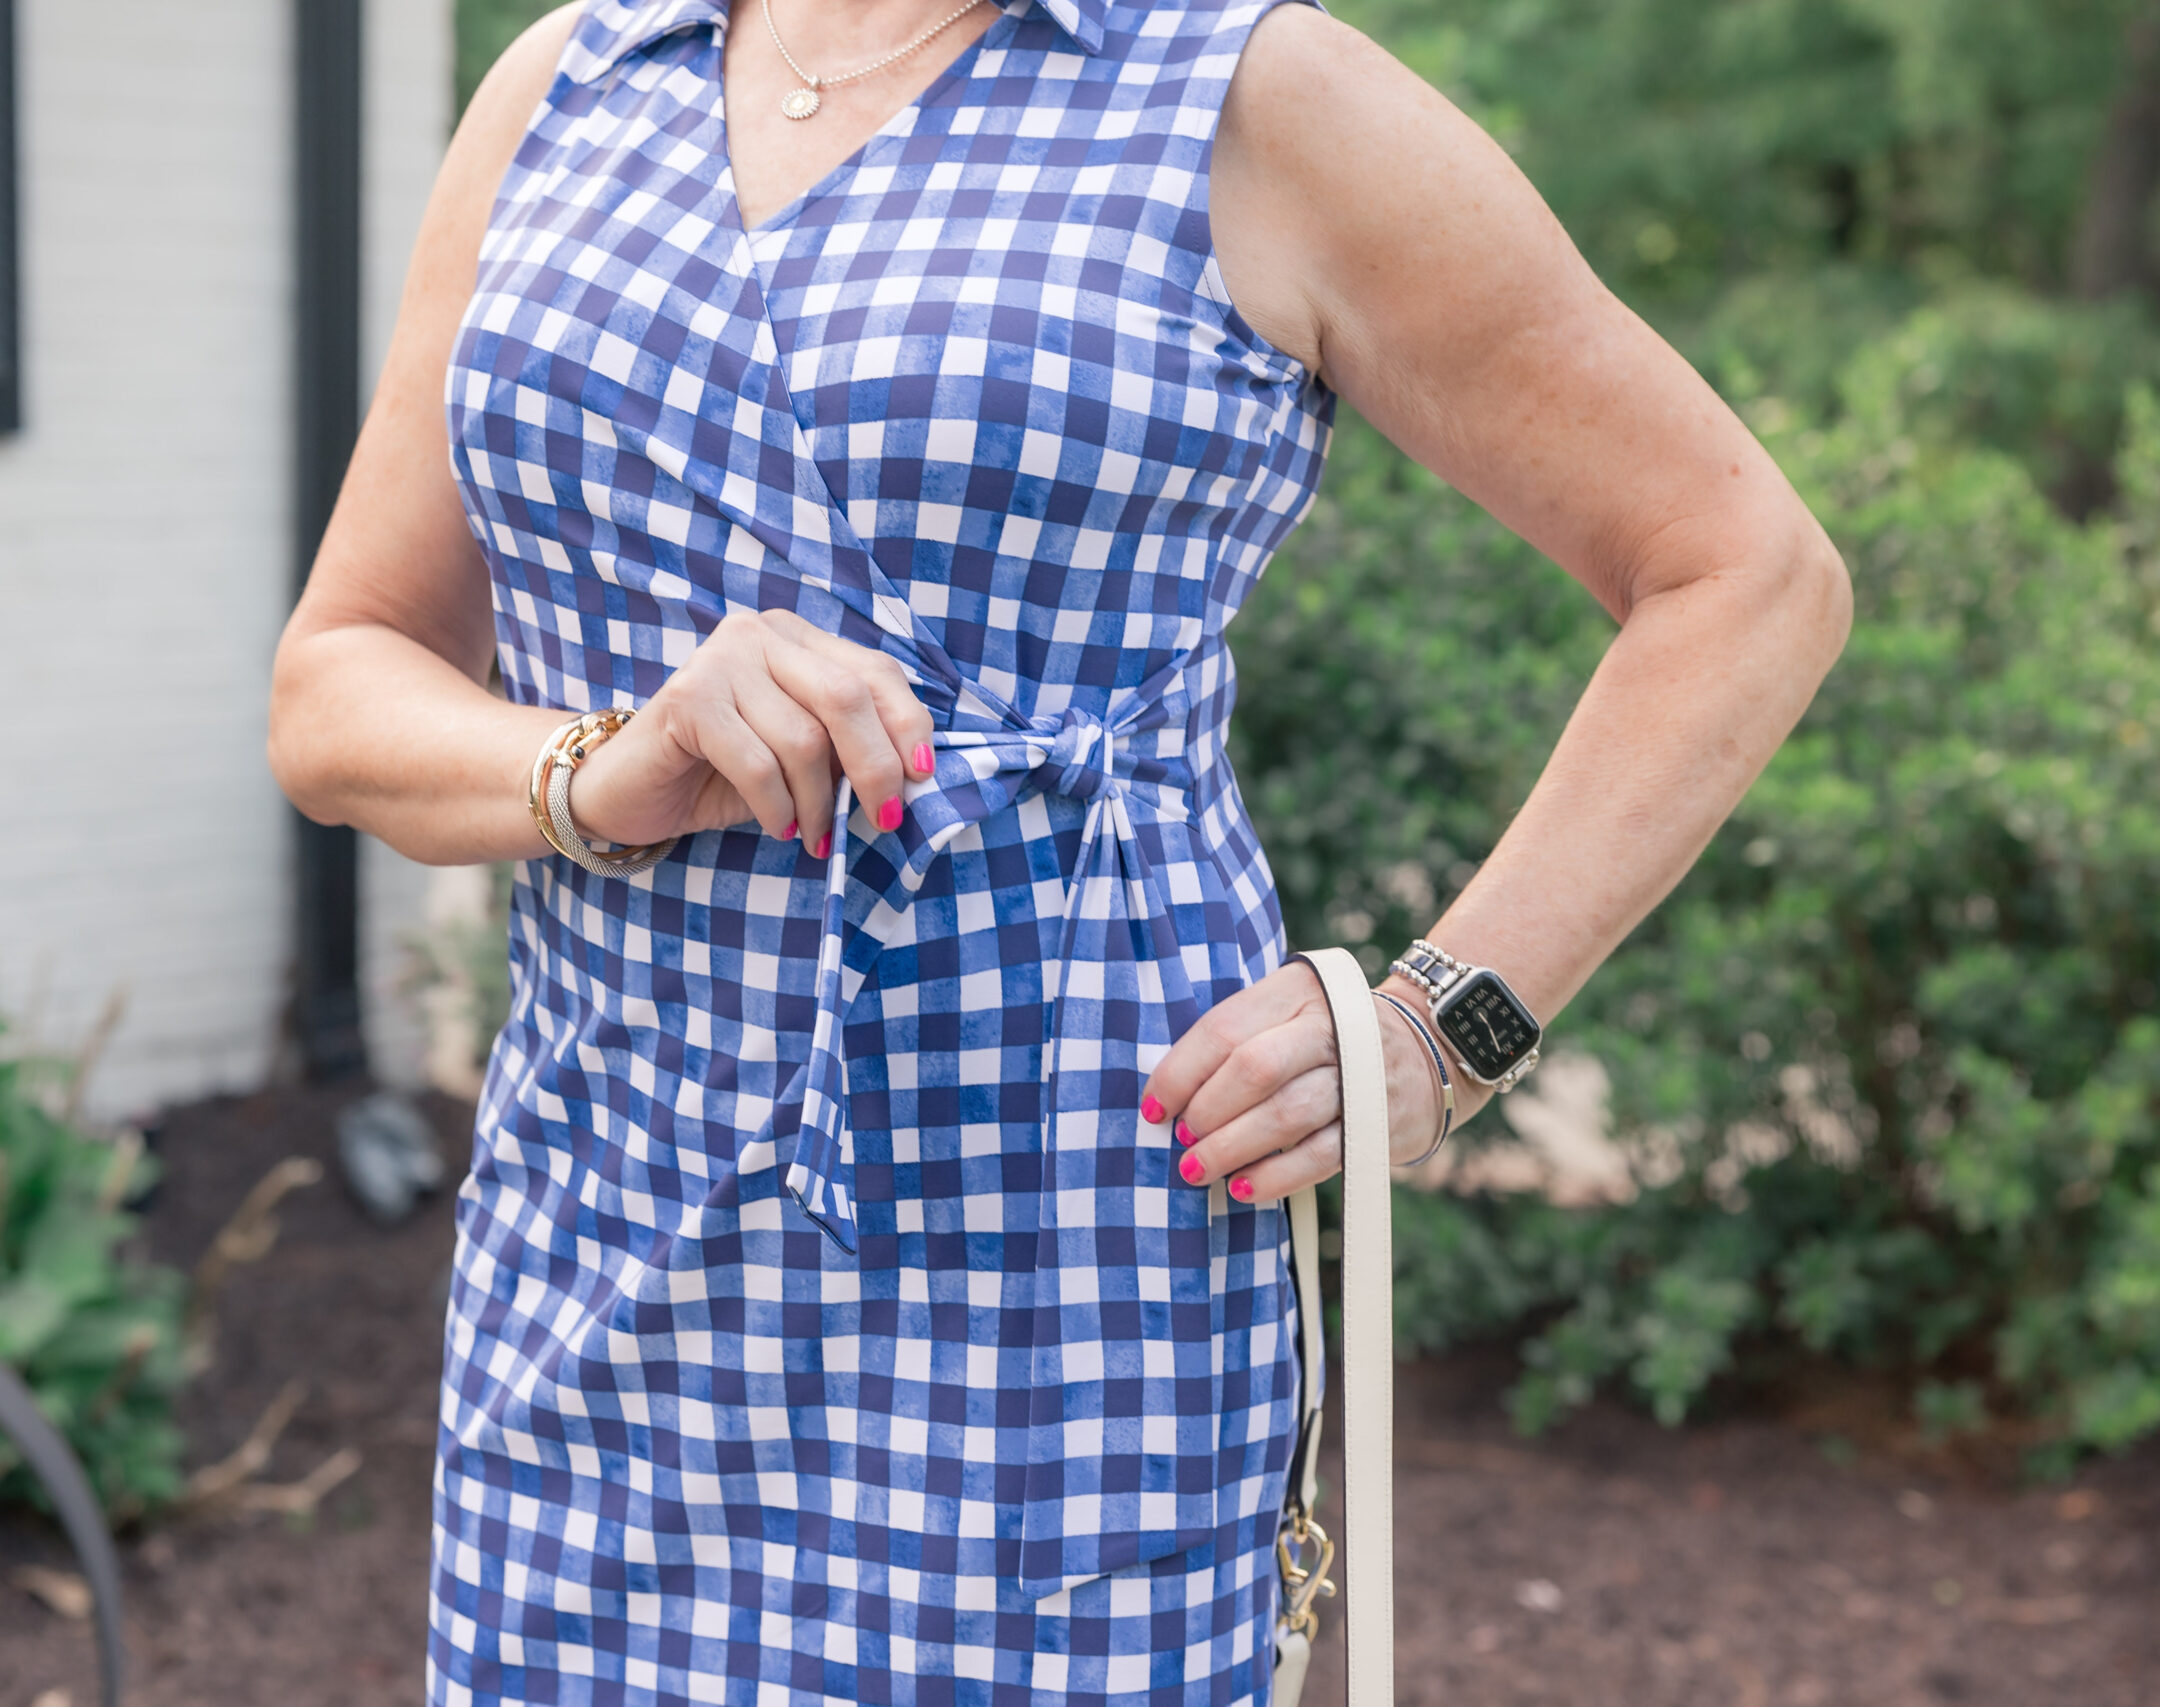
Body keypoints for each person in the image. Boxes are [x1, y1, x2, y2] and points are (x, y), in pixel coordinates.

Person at [267, 0, 1851, 1697]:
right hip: (604, 1253)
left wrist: (1442, 1030)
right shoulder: (571, 82)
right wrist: (604, 761)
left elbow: (1743, 571)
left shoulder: (1249, 93)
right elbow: (339, 685)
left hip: (1064, 1286)